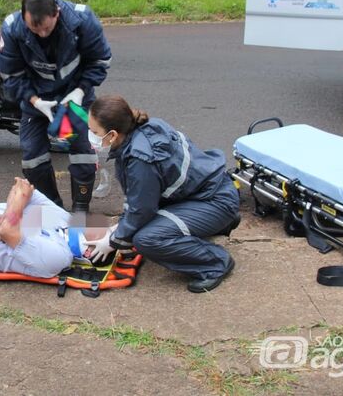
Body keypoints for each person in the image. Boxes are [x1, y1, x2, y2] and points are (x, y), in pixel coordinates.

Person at [85, 95, 239, 293]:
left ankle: (215, 263)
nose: (91, 135)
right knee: (136, 229)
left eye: (94, 131)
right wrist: (119, 227)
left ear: (113, 134)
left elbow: (142, 209)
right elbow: (140, 197)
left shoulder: (141, 158)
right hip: (207, 192)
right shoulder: (147, 127)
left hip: (214, 201)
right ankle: (220, 221)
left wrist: (114, 240)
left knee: (146, 240)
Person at [0, 0, 112, 212]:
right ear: (24, 18)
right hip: (36, 101)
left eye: (47, 29)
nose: (41, 34)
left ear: (56, 14)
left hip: (74, 100)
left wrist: (80, 91)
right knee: (32, 158)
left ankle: (80, 211)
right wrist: (35, 100)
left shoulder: (83, 21)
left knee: (82, 152)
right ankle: (52, 209)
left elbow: (100, 61)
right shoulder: (13, 28)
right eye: (35, 29)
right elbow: (11, 76)